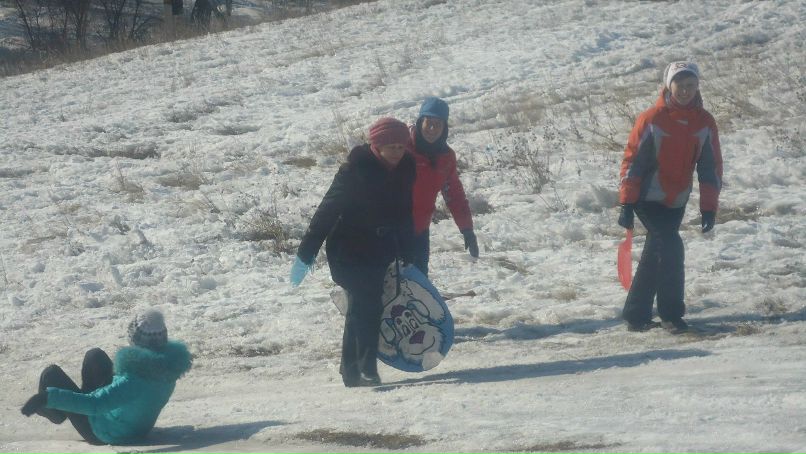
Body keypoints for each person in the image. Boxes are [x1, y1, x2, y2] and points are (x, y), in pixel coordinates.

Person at [290, 117, 416, 387]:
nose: (397, 152)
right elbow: (327, 211)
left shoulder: (406, 168)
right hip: (347, 249)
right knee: (367, 303)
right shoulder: (355, 170)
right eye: (391, 147)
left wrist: (407, 248)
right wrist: (306, 253)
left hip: (379, 248)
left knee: (360, 307)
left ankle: (350, 371)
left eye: (401, 146)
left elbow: (405, 212)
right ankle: (367, 367)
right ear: (377, 146)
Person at [617, 61, 723, 334]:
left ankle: (635, 315)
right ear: (668, 86)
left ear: (697, 86)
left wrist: (708, 207)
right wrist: (626, 202)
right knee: (672, 248)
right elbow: (633, 161)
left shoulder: (705, 122)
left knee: (657, 252)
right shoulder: (652, 119)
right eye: (680, 85)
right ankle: (671, 316)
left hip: (676, 201)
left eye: (691, 85)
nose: (685, 91)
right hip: (646, 198)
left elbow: (710, 168)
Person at [20, 309, 192, 445]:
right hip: (133, 426)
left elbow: (95, 404)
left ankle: (53, 412)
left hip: (105, 431)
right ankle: (63, 406)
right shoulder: (168, 367)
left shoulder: (134, 381)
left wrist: (46, 398)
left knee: (51, 374)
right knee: (95, 356)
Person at [409, 97, 477, 277]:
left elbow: (454, 194)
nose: (432, 129)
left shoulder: (445, 158)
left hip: (420, 230)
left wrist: (467, 229)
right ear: (420, 122)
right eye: (428, 123)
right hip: (392, 229)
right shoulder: (402, 147)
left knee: (419, 281)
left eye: (437, 124)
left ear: (444, 127)